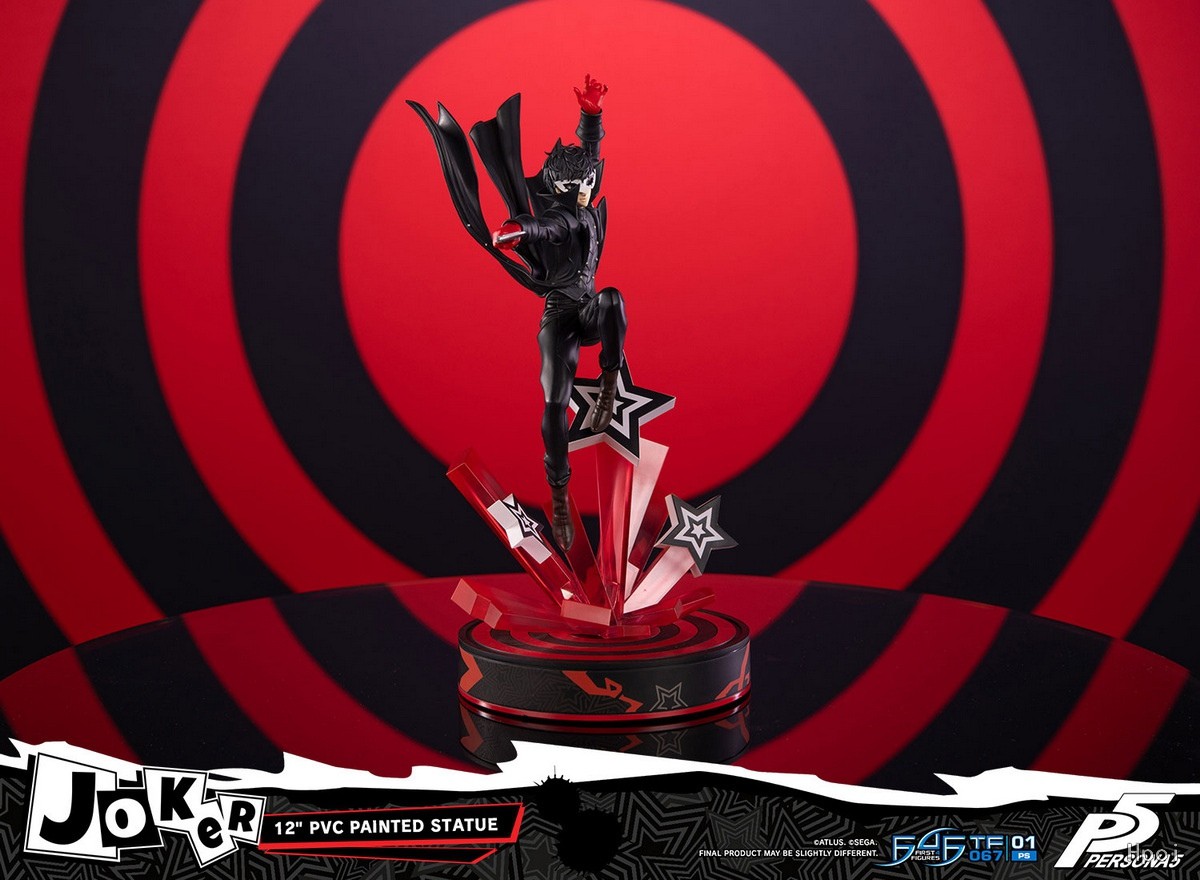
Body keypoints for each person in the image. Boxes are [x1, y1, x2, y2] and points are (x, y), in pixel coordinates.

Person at [410, 75, 625, 550]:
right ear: (561, 187)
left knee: (612, 299)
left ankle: (609, 385)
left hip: (589, 309)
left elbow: (590, 156)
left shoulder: (584, 196)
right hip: (560, 317)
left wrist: (591, 113)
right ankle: (560, 495)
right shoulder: (561, 213)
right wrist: (517, 231)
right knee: (554, 404)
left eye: (588, 181)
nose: (587, 188)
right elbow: (545, 227)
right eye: (578, 185)